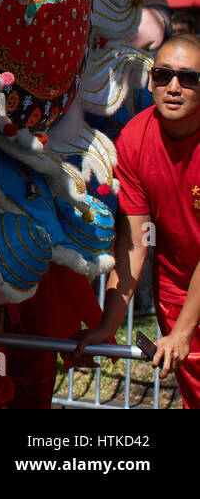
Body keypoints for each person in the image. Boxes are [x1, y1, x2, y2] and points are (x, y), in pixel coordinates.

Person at [74, 34, 200, 407]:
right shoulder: (133, 139)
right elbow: (135, 242)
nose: (173, 87)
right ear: (150, 81)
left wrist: (181, 333)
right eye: (162, 75)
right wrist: (107, 327)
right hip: (176, 289)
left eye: (188, 78)